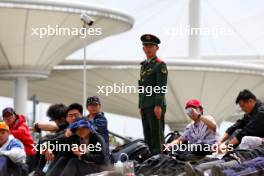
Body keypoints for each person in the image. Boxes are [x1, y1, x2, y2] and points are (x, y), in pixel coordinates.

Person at [34, 103, 83, 176]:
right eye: (70, 115)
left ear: (62, 119)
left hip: (71, 160)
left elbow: (54, 128)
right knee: (45, 142)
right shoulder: (68, 127)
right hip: (60, 159)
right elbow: (55, 138)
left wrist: (36, 125)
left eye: (54, 120)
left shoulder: (69, 127)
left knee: (47, 142)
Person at [138, 34, 168, 155]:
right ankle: (149, 160)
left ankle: (160, 160)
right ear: (143, 48)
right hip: (145, 105)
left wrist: (158, 105)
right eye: (146, 46)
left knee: (157, 135)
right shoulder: (144, 66)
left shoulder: (160, 65)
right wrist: (140, 105)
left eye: (151, 46)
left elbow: (161, 86)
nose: (148, 48)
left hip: (155, 105)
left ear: (156, 48)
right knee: (147, 135)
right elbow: (141, 87)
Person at [2, 107, 36, 172]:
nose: (8, 118)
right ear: (3, 119)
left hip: (28, 156)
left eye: (10, 115)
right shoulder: (6, 128)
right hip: (15, 155)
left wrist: (5, 133)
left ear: (15, 116)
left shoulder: (22, 124)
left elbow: (21, 133)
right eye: (5, 116)